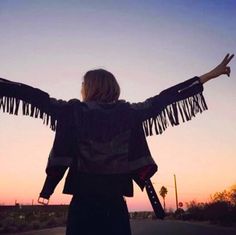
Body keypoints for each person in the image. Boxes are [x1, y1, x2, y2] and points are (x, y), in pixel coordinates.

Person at [0, 54, 234, 235]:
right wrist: (210, 75)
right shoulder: (129, 113)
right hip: (115, 205)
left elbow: (32, 96)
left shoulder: (72, 111)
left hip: (82, 204)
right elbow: (167, 97)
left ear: (89, 88)